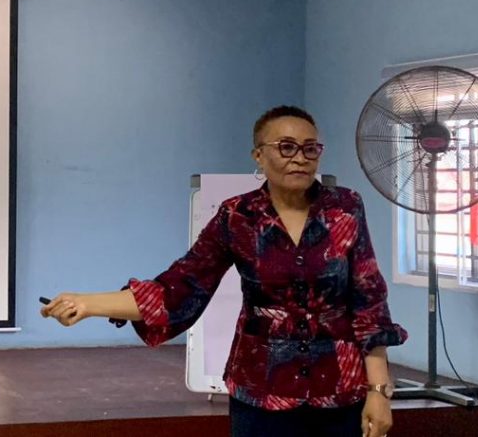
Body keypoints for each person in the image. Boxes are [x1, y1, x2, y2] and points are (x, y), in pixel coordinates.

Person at [41, 105, 408, 437]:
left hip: (340, 390)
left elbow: (369, 302)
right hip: (261, 391)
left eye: (310, 148)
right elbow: (181, 287)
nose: (300, 158)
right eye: (286, 147)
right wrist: (87, 304)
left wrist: (379, 391)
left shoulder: (345, 208)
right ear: (258, 155)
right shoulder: (237, 217)